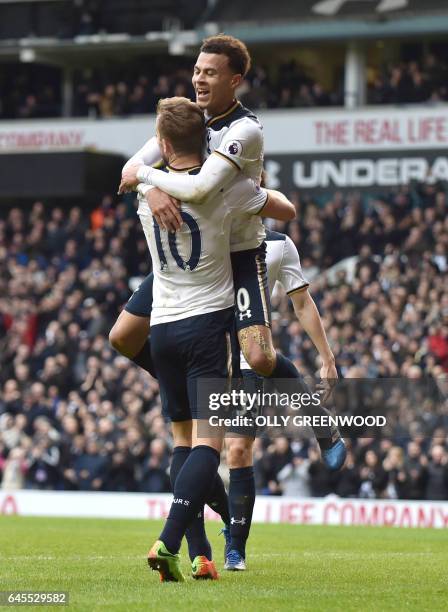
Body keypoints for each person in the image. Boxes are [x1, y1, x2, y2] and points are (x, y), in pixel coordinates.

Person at [116, 34, 345, 473]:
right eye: (197, 70)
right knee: (123, 337)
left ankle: (319, 421)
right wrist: (149, 185)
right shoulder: (186, 119)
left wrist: (151, 180)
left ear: (234, 80)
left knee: (258, 356)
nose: (199, 78)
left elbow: (201, 188)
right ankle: (185, 386)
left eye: (210, 72)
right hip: (189, 256)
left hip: (237, 252)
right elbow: (128, 170)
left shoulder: (245, 129)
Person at [131, 96, 296, 583]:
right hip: (206, 328)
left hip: (160, 328)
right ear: (206, 140)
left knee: (182, 442)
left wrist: (148, 175)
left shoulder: (148, 195)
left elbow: (143, 174)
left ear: (162, 145)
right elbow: (279, 211)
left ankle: (201, 554)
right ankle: (168, 539)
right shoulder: (227, 192)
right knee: (209, 445)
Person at [224, 229, 338, 570]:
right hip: (208, 357)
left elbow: (301, 302)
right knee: (200, 449)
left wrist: (327, 358)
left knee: (238, 450)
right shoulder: (205, 234)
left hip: (248, 356)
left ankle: (235, 547)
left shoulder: (278, 244)